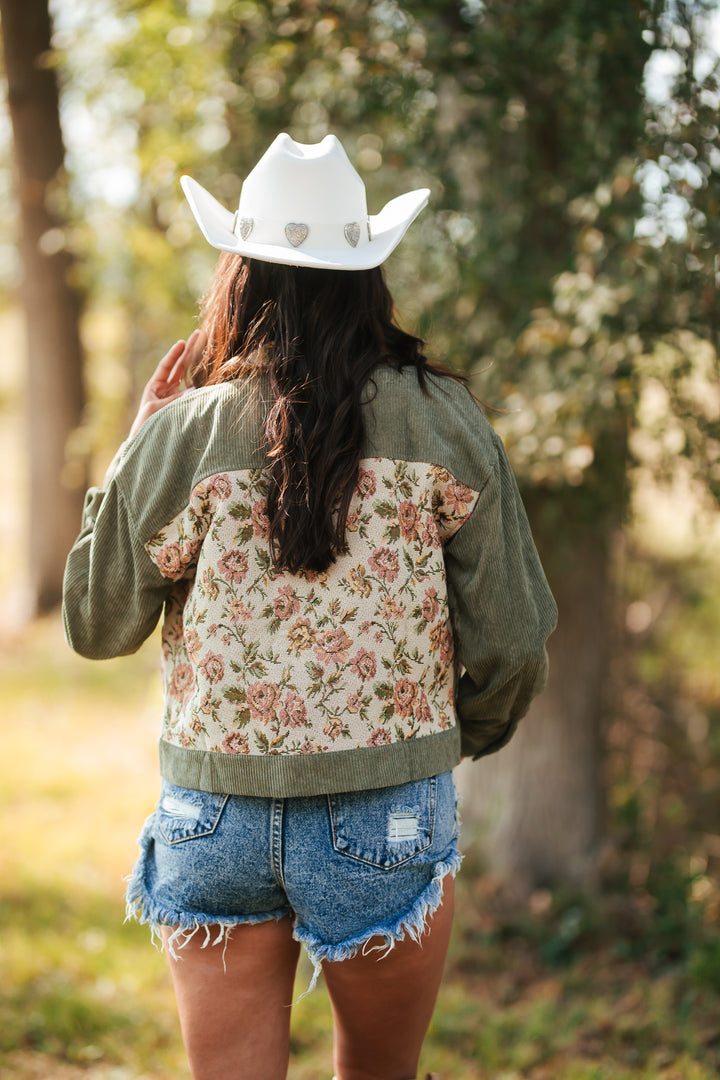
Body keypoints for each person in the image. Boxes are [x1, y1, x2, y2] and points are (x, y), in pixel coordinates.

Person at [63, 133, 557, 1080]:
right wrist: (444, 744)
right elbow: (514, 643)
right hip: (389, 814)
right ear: (369, 274)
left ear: (239, 276)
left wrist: (135, 447)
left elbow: (96, 622)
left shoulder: (189, 430)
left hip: (214, 817)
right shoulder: (445, 419)